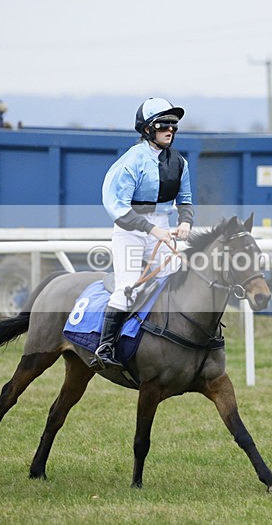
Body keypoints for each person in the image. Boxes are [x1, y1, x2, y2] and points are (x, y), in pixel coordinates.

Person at [92, 97, 194, 370]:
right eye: (164, 125)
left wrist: (185, 221)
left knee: (176, 282)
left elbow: (185, 200)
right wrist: (152, 229)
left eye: (173, 125)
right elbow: (118, 209)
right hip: (130, 230)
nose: (170, 130)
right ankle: (104, 347)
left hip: (162, 227)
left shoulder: (179, 162)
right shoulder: (131, 161)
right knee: (127, 288)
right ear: (148, 129)